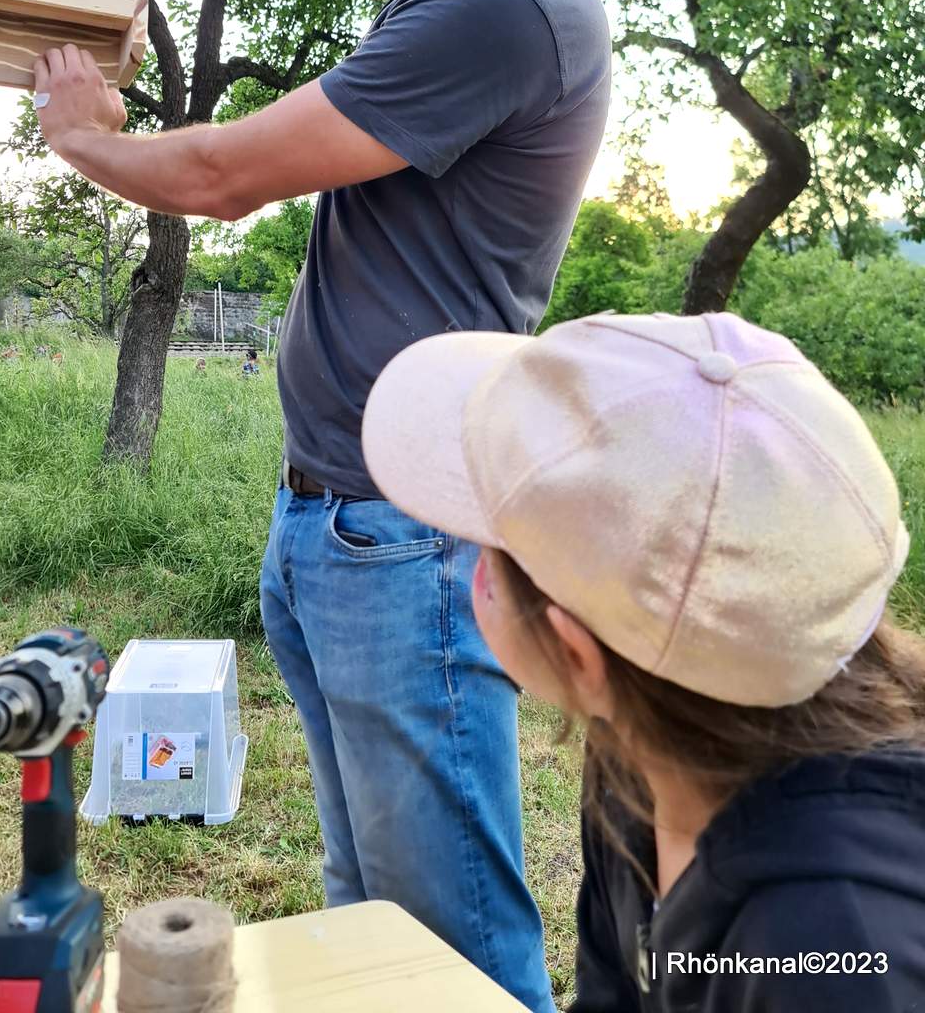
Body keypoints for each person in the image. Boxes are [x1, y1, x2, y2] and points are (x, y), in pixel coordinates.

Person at [32, 0, 611, 1010]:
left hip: (406, 547)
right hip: (338, 528)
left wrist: (87, 139)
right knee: (373, 933)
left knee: (452, 956)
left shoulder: (507, 7)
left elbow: (224, 176)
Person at [361, 311, 925, 1012]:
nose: (473, 562)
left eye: (489, 544)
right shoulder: (639, 755)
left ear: (576, 653)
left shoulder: (839, 953)